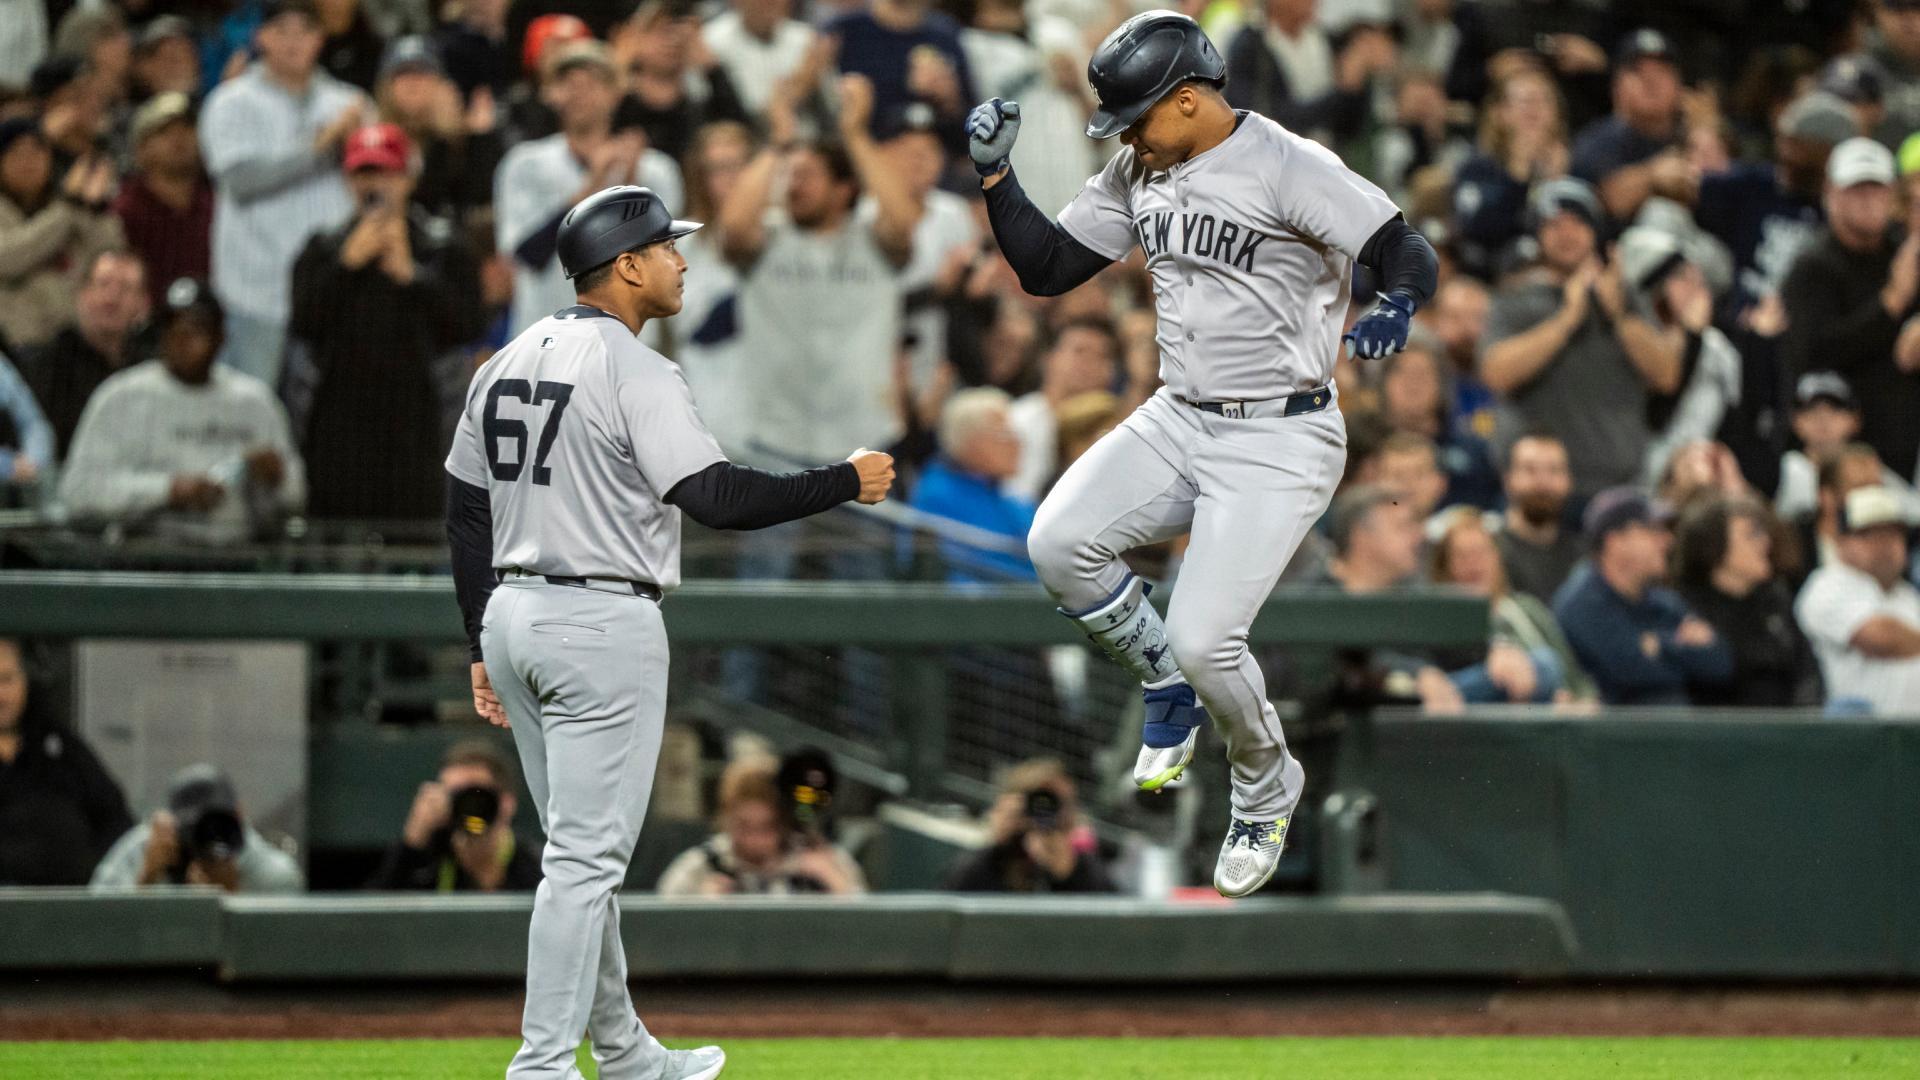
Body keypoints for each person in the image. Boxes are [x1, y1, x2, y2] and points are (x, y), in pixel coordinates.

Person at [966, 10, 1437, 897]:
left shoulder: (1288, 164)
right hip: (1179, 414)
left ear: (1188, 100)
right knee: (1058, 545)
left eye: (1137, 116)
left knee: (1206, 635)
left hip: (1282, 432)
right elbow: (1050, 268)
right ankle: (1165, 687)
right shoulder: (1141, 164)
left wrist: (1396, 303)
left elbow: (1400, 245)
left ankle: (1265, 783)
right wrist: (996, 177)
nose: (1127, 134)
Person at [443, 184, 896, 1080]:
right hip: (598, 620)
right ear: (626, 266)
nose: (682, 259)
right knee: (584, 858)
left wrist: (475, 642)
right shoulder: (634, 367)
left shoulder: (506, 359)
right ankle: (540, 1065)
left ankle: (622, 1052)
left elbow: (464, 514)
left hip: (514, 614)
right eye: (665, 247)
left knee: (582, 851)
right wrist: (840, 480)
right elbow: (716, 497)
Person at [718, 74, 918, 466]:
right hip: (774, 440)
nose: (794, 184)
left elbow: (904, 221)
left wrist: (855, 135)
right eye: (789, 174)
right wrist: (780, 141)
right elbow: (734, 229)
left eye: (807, 175)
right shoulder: (769, 240)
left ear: (844, 189)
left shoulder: (872, 242)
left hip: (864, 439)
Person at [289, 122, 483, 521]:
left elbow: (468, 325)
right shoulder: (323, 248)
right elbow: (303, 325)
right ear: (348, 180)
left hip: (421, 424)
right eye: (364, 172)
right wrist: (345, 266)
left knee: (413, 544)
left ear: (408, 178)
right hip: (340, 428)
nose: (375, 183)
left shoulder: (442, 246)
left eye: (385, 171)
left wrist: (414, 278)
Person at [198, 0, 368, 387]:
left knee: (325, 421)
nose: (293, 41)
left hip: (333, 294)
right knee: (253, 414)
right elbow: (241, 182)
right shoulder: (231, 101)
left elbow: (382, 182)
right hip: (254, 292)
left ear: (320, 39)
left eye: (304, 31)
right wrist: (320, 149)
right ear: (261, 37)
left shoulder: (349, 103)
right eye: (282, 30)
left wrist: (351, 149)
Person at [60, 279, 306, 545]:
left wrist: (275, 477)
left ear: (220, 337)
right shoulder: (120, 398)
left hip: (234, 559)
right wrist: (168, 490)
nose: (181, 339)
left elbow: (296, 496)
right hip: (144, 557)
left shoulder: (255, 402)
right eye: (172, 328)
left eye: (195, 330)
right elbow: (78, 493)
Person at [1480, 179, 1679, 499]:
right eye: (1555, 225)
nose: (1567, 234)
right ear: (1538, 235)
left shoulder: (1624, 296)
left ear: (1595, 231)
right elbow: (1496, 374)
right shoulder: (1515, 298)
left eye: (1578, 222)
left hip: (1619, 482)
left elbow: (1666, 376)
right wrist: (1567, 320)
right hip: (1539, 490)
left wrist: (1619, 315)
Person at [493, 40, 684, 337]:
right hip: (545, 341)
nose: (579, 93)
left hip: (630, 345)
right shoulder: (524, 164)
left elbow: (661, 268)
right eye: (567, 83)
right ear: (551, 94)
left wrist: (631, 187)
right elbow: (526, 255)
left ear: (616, 92)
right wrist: (590, 190)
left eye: (593, 82)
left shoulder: (655, 170)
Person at [1779, 136, 1920, 483]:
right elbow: (1814, 353)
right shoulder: (1813, 266)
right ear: (1831, 194)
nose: (1869, 200)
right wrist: (1891, 303)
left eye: (1877, 189)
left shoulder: (1902, 252)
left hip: (1908, 436)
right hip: (1843, 452)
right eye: (1856, 190)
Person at [1553, 486, 1734, 706]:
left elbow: (1720, 663)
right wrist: (1681, 648)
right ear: (1615, 541)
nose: (1667, 540)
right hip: (1612, 734)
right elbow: (1634, 673)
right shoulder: (1581, 602)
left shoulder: (1662, 601)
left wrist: (1658, 643)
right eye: (1653, 531)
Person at [0, 638, 133, 885]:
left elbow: (116, 822)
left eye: (7, 680)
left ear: (26, 680)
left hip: (76, 909)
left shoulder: (61, 747)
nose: (1, 695)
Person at [1430, 507, 1596, 704]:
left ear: (1497, 557)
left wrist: (1581, 702)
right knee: (1544, 664)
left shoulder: (1526, 608)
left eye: (1481, 552)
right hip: (1478, 713)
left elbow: (1575, 677)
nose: (1473, 564)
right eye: (1462, 555)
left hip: (1551, 718)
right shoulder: (1439, 620)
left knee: (1548, 662)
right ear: (1445, 566)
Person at [1672, 495, 1822, 707]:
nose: (1765, 542)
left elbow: (1806, 672)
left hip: (1789, 730)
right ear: (1713, 545)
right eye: (1752, 534)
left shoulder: (1775, 601)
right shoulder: (1682, 607)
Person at [655, 757, 865, 896]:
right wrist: (701, 911)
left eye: (767, 827)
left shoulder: (822, 860)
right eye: (744, 826)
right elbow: (658, 933)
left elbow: (871, 931)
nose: (754, 840)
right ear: (726, 819)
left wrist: (837, 884)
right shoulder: (699, 868)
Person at [0, 117, 124, 352]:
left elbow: (112, 254)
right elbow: (7, 258)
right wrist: (68, 208)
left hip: (79, 345)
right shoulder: (66, 208)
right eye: (16, 153)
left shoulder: (69, 205)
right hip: (15, 348)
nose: (28, 162)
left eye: (37, 151)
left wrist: (95, 209)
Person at [1795, 485, 1920, 716]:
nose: (1886, 545)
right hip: (1855, 739)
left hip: (1908, 739)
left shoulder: (1907, 595)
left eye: (1893, 534)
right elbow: (1882, 638)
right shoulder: (1827, 585)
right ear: (1842, 541)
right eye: (1871, 535)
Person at [90, 763, 304, 893]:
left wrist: (233, 902)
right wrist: (146, 879)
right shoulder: (146, 850)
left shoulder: (270, 873)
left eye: (217, 824)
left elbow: (282, 950)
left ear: (238, 815)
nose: (208, 838)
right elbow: (92, 925)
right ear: (172, 822)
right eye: (194, 827)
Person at [19, 250, 147, 460]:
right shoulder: (50, 364)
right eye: (103, 284)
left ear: (143, 303)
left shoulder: (150, 368)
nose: (112, 298)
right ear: (83, 293)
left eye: (125, 288)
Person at [370, 739, 542, 892]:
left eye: (475, 795)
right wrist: (412, 842)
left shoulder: (537, 868)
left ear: (506, 802)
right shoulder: (426, 865)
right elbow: (374, 918)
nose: (465, 806)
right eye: (453, 796)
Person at [1223, 0, 1396, 151]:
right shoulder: (1251, 47)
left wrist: (1358, 83)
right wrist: (1341, 92)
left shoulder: (1325, 42)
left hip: (1326, 160)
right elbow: (1265, 119)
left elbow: (1349, 125)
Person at [1451, 63, 1570, 278]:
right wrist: (1518, 177)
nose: (1534, 109)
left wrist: (1559, 183)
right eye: (1524, 101)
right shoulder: (1476, 169)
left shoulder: (1574, 168)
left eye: (1543, 100)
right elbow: (1476, 230)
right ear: (1499, 113)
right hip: (1490, 275)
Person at [909, 387, 1037, 582]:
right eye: (1004, 434)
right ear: (969, 440)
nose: (1016, 443)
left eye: (1015, 432)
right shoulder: (937, 496)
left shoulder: (1012, 501)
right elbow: (954, 579)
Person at [1569, 29, 1692, 221]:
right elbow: (1605, 202)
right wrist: (1652, 176)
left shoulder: (1695, 135)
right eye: (1637, 71)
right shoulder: (1596, 141)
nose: (1651, 81)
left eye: (1662, 71)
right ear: (1616, 87)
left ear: (1680, 86)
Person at [944, 758, 1114, 893]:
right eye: (1040, 801)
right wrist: (998, 846)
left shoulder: (1085, 867)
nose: (1050, 812)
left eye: (1060, 803)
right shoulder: (986, 863)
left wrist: (1070, 873)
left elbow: (1111, 919)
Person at [112, 93, 213, 313]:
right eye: (163, 132)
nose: (179, 138)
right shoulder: (125, 210)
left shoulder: (216, 205)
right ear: (140, 149)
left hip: (211, 324)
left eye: (187, 128)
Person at [1776, 372, 1920, 526]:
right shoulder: (1787, 468)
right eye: (1812, 410)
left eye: (1834, 410)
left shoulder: (1868, 467)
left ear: (1855, 419)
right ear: (1795, 420)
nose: (1823, 420)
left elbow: (1914, 510)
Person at [1372, 340, 1499, 510]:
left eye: (1423, 373)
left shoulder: (1473, 452)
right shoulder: (1362, 447)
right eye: (1401, 372)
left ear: (1442, 384)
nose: (1413, 382)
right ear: (1383, 384)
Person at [1006, 316, 1118, 503]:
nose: (1090, 363)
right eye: (1079, 351)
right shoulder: (1019, 420)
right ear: (1049, 358)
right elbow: (1014, 497)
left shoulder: (1113, 431)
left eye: (1102, 356)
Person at [701, 0, 816, 119]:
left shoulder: (806, 39)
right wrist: (794, 91)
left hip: (806, 134)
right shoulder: (711, 41)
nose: (770, 3)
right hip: (742, 130)